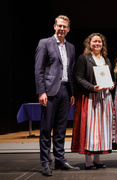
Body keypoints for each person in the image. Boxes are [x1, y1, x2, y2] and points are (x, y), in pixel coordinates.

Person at [35, 15, 80, 176]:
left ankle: (60, 160)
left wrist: (72, 93)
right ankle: (46, 162)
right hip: (50, 91)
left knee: (61, 129)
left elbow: (71, 71)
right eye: (59, 26)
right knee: (46, 129)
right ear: (54, 26)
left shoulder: (71, 47)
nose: (62, 29)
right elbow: (39, 69)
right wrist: (41, 91)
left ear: (68, 29)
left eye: (65, 27)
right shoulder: (44, 43)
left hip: (65, 91)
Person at [71, 33, 114, 170]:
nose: (97, 44)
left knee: (101, 129)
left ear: (103, 44)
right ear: (89, 44)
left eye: (99, 42)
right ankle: (88, 160)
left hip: (104, 98)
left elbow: (110, 77)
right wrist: (92, 87)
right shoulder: (83, 58)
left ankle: (97, 158)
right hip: (89, 98)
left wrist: (112, 84)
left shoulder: (106, 59)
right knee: (90, 129)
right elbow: (78, 78)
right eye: (94, 42)